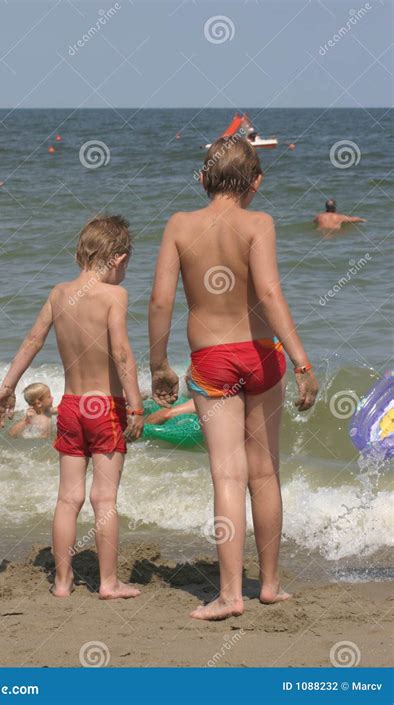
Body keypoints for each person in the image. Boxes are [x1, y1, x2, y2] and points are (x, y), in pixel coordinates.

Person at [148, 137, 318, 621]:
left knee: (227, 473)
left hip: (213, 360)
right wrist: (302, 363)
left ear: (202, 180)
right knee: (264, 473)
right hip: (263, 355)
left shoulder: (180, 226)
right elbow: (269, 292)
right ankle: (269, 584)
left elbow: (160, 300)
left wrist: (159, 363)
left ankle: (228, 595)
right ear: (257, 183)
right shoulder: (259, 223)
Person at [0, 215, 143, 600]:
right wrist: (137, 405)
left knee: (68, 498)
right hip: (106, 405)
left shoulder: (59, 294)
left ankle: (62, 581)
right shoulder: (114, 297)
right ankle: (108, 583)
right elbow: (122, 354)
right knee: (103, 499)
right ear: (118, 258)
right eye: (127, 264)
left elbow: (32, 340)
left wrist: (7, 388)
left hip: (71, 405)